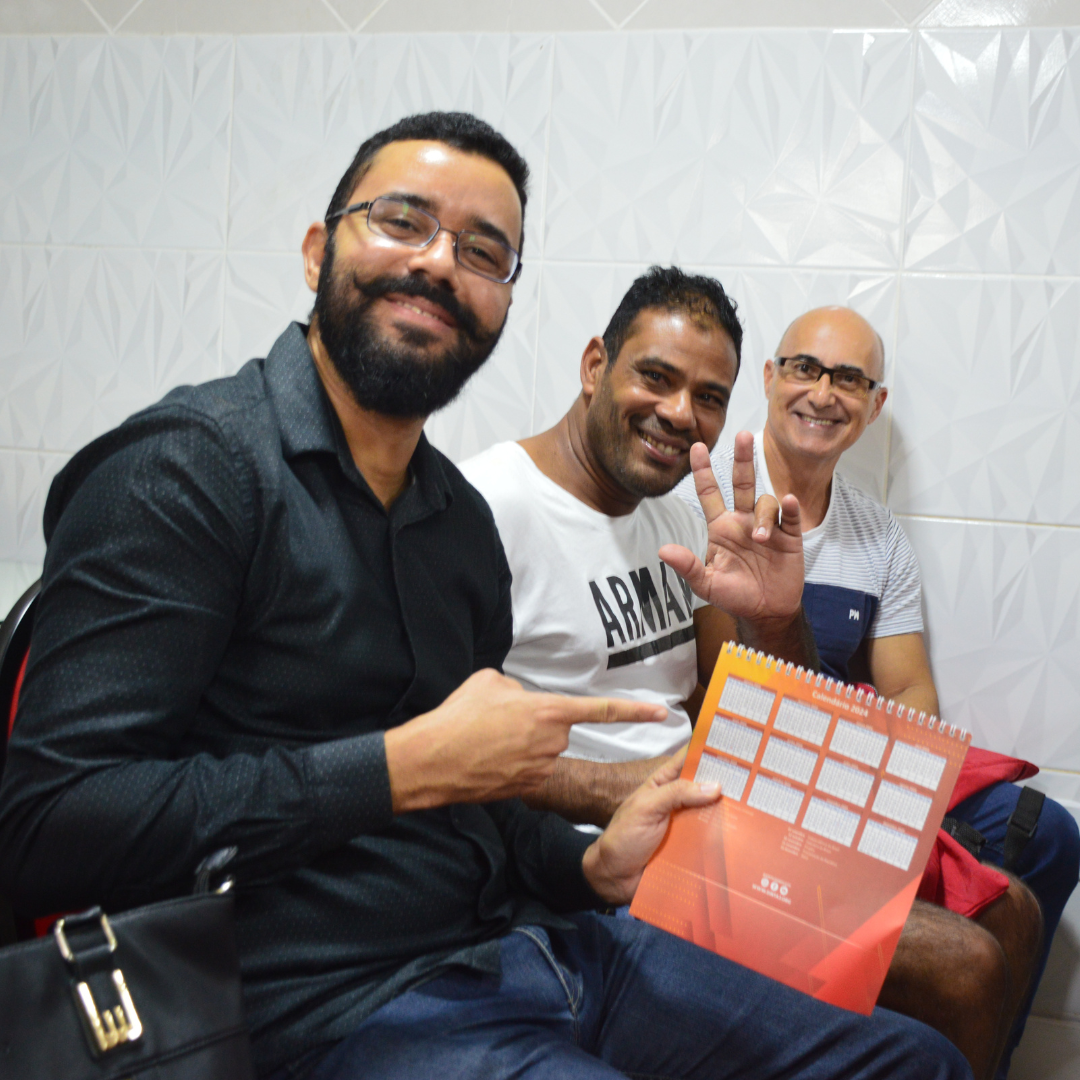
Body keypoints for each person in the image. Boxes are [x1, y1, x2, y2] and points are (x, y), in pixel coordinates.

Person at [0, 115, 970, 1080]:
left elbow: (479, 796)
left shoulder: (452, 521)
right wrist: (395, 769)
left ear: (501, 304)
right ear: (316, 251)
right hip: (323, 1003)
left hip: (533, 943)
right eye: (401, 221)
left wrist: (582, 865)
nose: (437, 263)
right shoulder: (186, 473)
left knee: (913, 1064)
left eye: (483, 252)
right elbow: (46, 827)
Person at [675, 306, 1080, 1079]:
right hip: (754, 775)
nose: (824, 393)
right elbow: (716, 695)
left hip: (858, 765)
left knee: (1048, 834)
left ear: (875, 403)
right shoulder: (712, 503)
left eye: (850, 379)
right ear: (770, 377)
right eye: (805, 368)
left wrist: (887, 789)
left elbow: (911, 693)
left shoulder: (878, 536)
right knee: (962, 939)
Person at [461, 266, 819, 828]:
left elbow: (768, 722)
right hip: (570, 855)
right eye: (655, 376)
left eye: (708, 397)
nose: (680, 413)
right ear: (594, 367)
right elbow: (439, 747)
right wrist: (633, 786)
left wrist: (774, 620)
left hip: (690, 828)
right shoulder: (483, 509)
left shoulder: (679, 522)